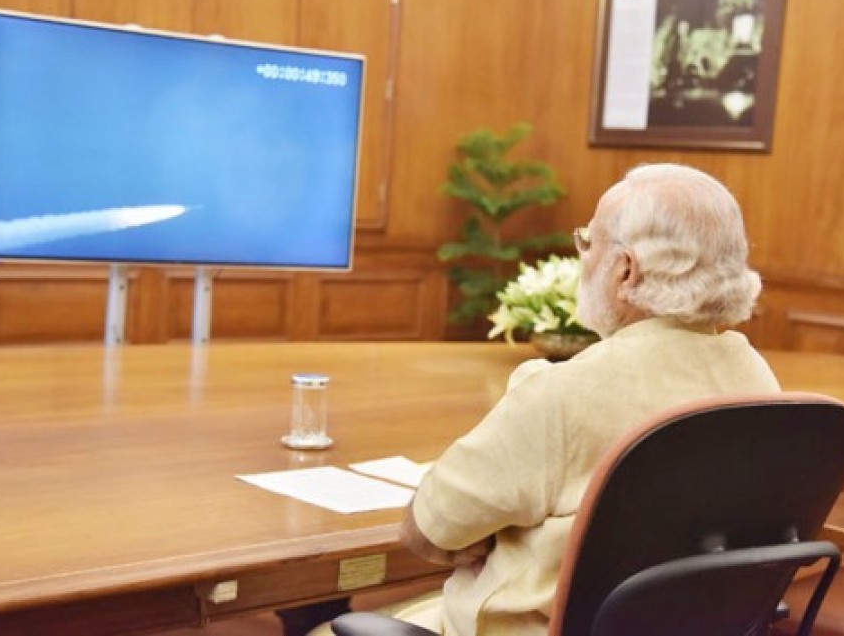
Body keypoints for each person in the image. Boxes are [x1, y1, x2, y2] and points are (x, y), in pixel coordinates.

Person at [314, 163, 781, 635]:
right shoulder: (760, 384)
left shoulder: (565, 392)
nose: (584, 256)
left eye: (589, 242)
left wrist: (491, 537)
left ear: (625, 271)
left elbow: (431, 530)